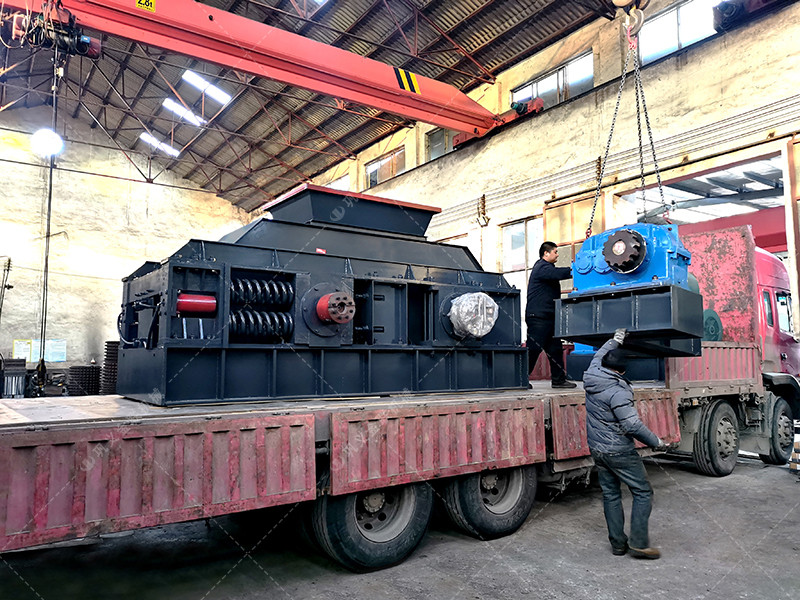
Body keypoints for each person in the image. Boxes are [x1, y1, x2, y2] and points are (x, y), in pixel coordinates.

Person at [584, 328, 668, 559]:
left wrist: (615, 339)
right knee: (643, 491)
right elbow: (632, 425)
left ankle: (618, 545)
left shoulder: (593, 372)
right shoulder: (618, 391)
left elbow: (599, 354)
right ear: (622, 371)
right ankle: (639, 544)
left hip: (597, 448)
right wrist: (656, 442)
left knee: (611, 494)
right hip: (618, 450)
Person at [526, 241, 576, 388]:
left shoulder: (547, 268)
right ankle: (519, 379)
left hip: (548, 317)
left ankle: (559, 380)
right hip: (538, 318)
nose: (557, 255)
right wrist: (576, 269)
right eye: (555, 252)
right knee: (534, 349)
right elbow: (558, 274)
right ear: (546, 253)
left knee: (555, 350)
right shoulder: (541, 267)